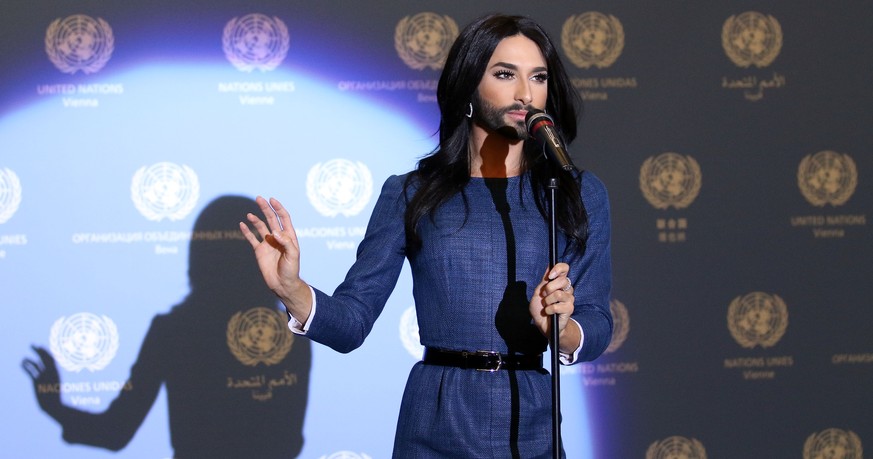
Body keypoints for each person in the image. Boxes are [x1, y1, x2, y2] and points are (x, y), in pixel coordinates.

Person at [240, 13, 612, 458]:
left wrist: (560, 330)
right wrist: (291, 288)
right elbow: (352, 323)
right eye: (504, 74)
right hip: (435, 419)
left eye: (538, 77)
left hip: (528, 421)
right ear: (468, 85)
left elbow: (596, 320)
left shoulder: (574, 191)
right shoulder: (411, 192)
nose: (525, 94)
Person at [23, 196, 311, 459]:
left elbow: (114, 431)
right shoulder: (295, 328)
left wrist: (55, 408)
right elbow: (289, 442)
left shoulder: (173, 331)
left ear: (197, 257)